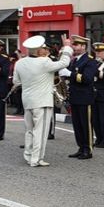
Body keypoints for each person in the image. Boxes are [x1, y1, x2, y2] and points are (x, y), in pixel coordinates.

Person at [13, 35, 72, 167]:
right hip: (42, 101)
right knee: (41, 131)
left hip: (27, 100)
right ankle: (36, 159)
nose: (46, 50)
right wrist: (67, 46)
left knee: (29, 130)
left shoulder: (20, 62)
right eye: (44, 48)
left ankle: (28, 155)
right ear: (39, 50)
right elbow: (64, 63)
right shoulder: (44, 62)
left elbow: (16, 82)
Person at [62, 35, 98, 160]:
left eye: (76, 45)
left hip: (85, 97)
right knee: (77, 124)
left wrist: (70, 74)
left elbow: (87, 79)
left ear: (83, 46)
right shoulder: (74, 60)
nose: (74, 47)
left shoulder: (90, 61)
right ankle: (81, 147)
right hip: (75, 96)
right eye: (73, 44)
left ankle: (88, 149)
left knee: (85, 124)